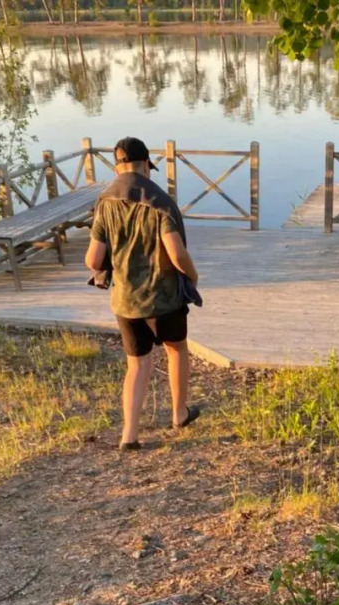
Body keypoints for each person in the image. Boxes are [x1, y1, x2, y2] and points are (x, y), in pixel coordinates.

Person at [85, 136, 200, 451]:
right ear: (147, 165)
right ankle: (179, 414)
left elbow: (93, 260)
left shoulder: (105, 202)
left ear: (118, 166)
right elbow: (176, 254)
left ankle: (129, 436)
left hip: (126, 300)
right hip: (164, 298)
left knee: (136, 364)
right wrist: (193, 276)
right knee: (176, 349)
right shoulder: (161, 202)